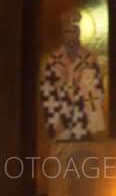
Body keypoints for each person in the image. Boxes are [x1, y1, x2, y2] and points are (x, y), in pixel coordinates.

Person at [39, 10, 105, 141]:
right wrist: (55, 123)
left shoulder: (89, 59)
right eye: (67, 32)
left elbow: (98, 91)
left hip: (84, 119)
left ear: (79, 32)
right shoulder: (52, 61)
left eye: (73, 31)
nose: (70, 36)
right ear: (62, 34)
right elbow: (46, 92)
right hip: (60, 120)